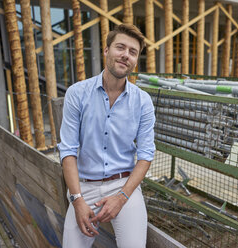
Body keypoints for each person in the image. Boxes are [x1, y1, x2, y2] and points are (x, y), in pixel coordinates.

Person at [58, 24, 155, 248]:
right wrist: (77, 200)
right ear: (106, 50)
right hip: (83, 187)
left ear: (136, 60)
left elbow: (146, 155)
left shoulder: (143, 102)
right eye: (120, 47)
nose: (125, 55)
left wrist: (121, 197)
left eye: (133, 52)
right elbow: (68, 151)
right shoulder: (77, 93)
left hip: (123, 184)